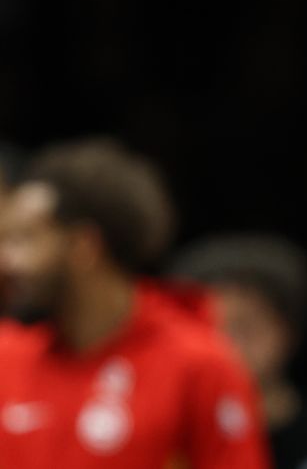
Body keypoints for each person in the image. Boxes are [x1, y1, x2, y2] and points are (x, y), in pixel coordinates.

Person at [0, 137, 271, 469]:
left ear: (84, 245)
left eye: (26, 240)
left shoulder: (198, 366)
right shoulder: (7, 357)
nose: (7, 261)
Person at [170, 232, 307, 469]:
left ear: (288, 333)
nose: (224, 344)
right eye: (206, 327)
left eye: (245, 328)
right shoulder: (164, 441)